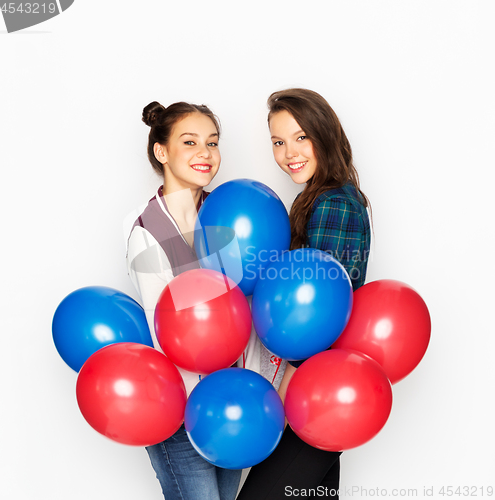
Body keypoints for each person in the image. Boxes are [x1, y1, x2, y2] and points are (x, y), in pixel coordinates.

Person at [237, 88, 371, 500]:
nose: (288, 152)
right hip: (324, 392)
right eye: (278, 141)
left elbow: (316, 316)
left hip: (314, 392)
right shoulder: (317, 197)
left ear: (324, 134)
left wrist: (279, 402)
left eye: (301, 137)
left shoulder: (334, 204)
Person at [126, 101, 257, 500]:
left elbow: (250, 305)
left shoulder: (228, 216)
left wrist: (252, 388)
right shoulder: (148, 233)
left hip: (232, 403)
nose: (206, 153)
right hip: (177, 408)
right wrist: (204, 407)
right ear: (161, 152)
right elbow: (161, 331)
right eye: (190, 142)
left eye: (212, 143)